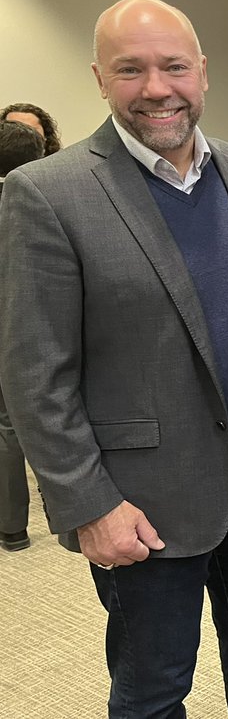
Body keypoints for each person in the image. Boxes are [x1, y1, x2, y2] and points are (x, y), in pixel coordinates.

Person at [0, 0, 228, 719]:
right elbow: (34, 374)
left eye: (173, 66)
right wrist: (87, 504)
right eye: (131, 70)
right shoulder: (45, 193)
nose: (157, 88)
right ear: (100, 77)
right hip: (138, 496)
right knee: (155, 682)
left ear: (203, 72)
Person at [0, 120, 45, 553]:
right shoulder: (52, 199)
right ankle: (62, 510)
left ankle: (12, 528)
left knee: (7, 427)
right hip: (47, 327)